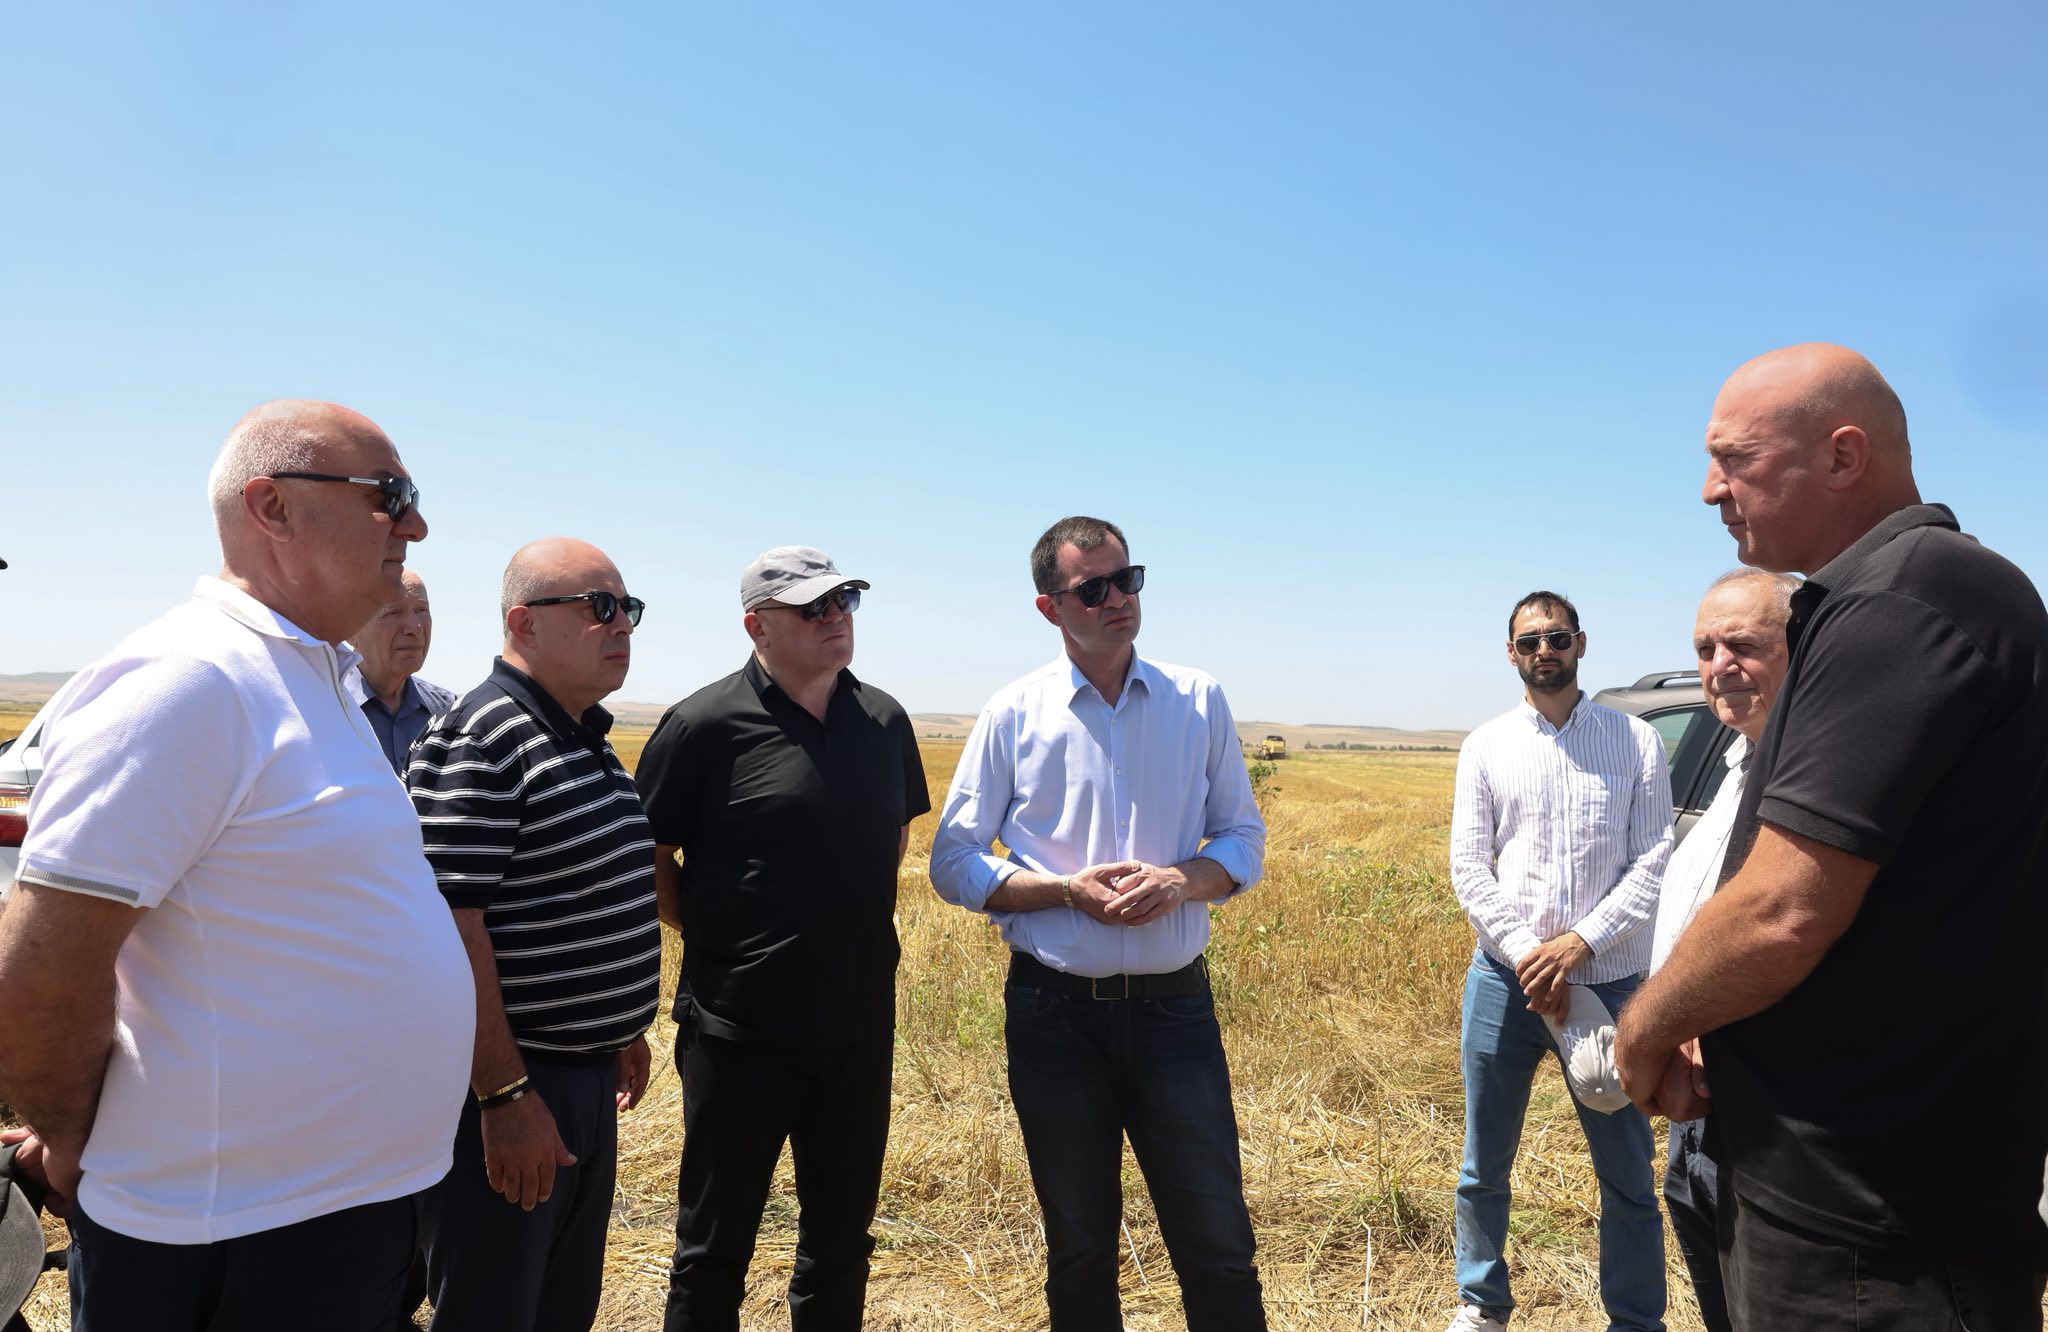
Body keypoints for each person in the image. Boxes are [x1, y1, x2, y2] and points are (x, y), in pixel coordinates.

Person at [0, 400, 475, 1330]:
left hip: (333, 1218)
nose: (415, 525)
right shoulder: (192, 680)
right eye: (390, 495)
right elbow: (40, 975)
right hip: (229, 1240)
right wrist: (76, 1144)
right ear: (272, 507)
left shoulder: (308, 678)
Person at [1616, 343, 2048, 1329]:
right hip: (1848, 1191)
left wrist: (1643, 1027)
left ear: (1843, 456)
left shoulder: (1903, 598)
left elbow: (1783, 908)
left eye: (1733, 459)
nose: (1709, 489)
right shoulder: (1892, 597)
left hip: (1872, 1223)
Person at [930, 516, 1268, 1332]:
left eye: (1128, 579)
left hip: (1175, 1014)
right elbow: (953, 859)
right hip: (1055, 1018)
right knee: (1080, 1250)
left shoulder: (1198, 698)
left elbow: (1243, 837)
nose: (1119, 599)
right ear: (1050, 607)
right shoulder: (1013, 713)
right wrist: (1062, 891)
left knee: (1218, 1245)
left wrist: (1183, 880)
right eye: (1094, 589)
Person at [634, 545, 929, 1331]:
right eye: (813, 607)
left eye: (844, 601)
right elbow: (650, 856)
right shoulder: (702, 725)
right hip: (739, 1033)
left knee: (841, 1246)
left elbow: (892, 837)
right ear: (756, 626)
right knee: (713, 1250)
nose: (836, 618)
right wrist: (719, 928)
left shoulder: (884, 721)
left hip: (858, 1031)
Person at [406, 537, 663, 1332]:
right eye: (600, 607)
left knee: (557, 1310)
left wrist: (618, 1029)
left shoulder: (580, 736)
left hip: (576, 1083)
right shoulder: (483, 738)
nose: (622, 625)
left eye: (628, 608)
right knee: (492, 1312)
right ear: (523, 622)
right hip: (513, 1086)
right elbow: (447, 928)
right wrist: (504, 1094)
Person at [1444, 590, 1673, 1332]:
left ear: (1581, 644)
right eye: (1531, 640)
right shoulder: (1485, 746)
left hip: (1612, 981)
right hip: (1503, 984)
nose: (1545, 650)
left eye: (1558, 637)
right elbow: (1469, 867)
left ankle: (1635, 1320)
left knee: (1628, 1171)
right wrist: (1528, 957)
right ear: (1511, 653)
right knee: (1484, 1163)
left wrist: (1580, 944)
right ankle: (1482, 1304)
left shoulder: (1636, 741)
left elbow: (1653, 859)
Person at [1644, 569, 1795, 1332]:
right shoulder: (1738, 766)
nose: (1719, 665)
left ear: (1804, 649)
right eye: (1705, 648)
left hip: (1768, 1112)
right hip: (1698, 1102)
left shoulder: (1817, 782)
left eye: (1744, 644)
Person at [347, 567, 456, 774]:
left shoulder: (448, 713)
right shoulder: (326, 709)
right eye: (393, 612)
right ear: (351, 631)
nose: (415, 628)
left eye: (421, 610)